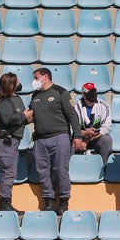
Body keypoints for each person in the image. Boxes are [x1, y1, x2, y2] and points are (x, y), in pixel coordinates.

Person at [28, 68, 81, 213]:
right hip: (40, 140)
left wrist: (77, 135)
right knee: (43, 171)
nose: (34, 80)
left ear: (45, 77)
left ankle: (64, 202)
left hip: (59, 137)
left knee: (60, 170)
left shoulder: (60, 92)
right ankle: (49, 201)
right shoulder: (35, 95)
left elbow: (72, 115)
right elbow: (31, 114)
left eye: (36, 77)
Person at [0, 72, 26, 213]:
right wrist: (24, 115)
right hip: (6, 140)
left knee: (10, 172)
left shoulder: (16, 99)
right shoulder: (3, 101)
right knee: (8, 173)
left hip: (13, 140)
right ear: (11, 84)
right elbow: (7, 119)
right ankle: (5, 204)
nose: (19, 83)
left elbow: (17, 117)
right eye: (16, 81)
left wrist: (25, 118)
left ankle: (6, 203)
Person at [74, 82, 113, 167]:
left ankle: (103, 169)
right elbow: (71, 128)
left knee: (107, 140)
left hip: (96, 137)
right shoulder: (76, 107)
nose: (92, 98)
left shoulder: (104, 105)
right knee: (66, 141)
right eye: (89, 95)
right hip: (79, 136)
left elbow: (106, 126)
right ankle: (68, 171)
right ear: (83, 95)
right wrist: (84, 134)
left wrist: (87, 140)